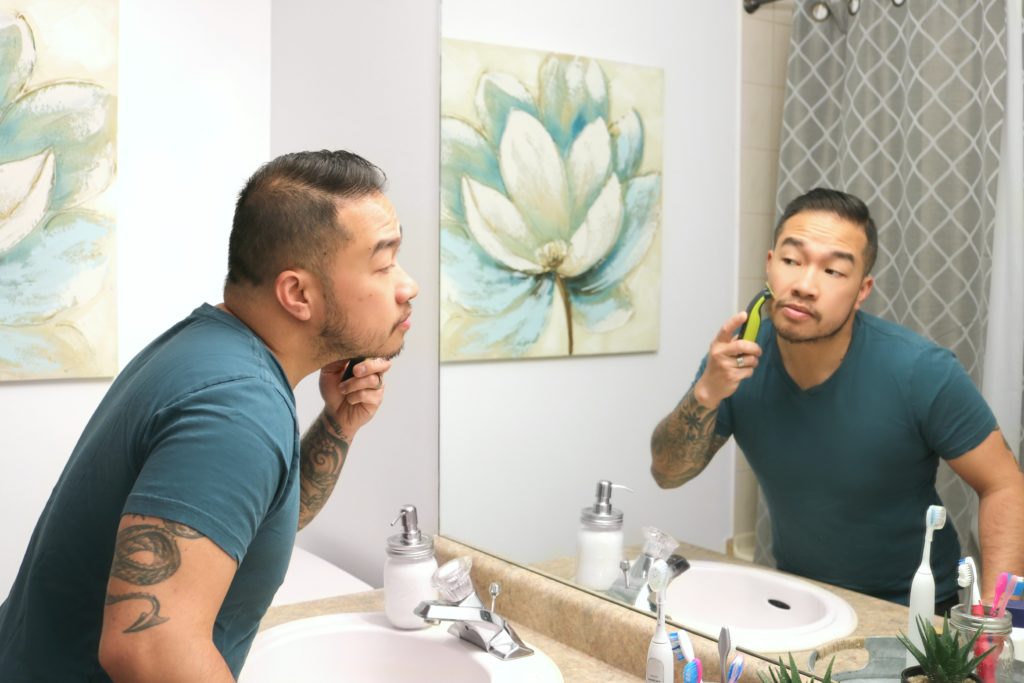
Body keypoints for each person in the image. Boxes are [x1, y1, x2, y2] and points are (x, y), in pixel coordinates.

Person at [0, 149, 419, 681]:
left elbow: (253, 523)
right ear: (297, 293)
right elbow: (148, 647)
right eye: (384, 263)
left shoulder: (211, 352)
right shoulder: (237, 406)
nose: (408, 285)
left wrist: (337, 424)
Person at [650, 187, 1024, 611]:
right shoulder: (737, 360)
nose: (805, 285)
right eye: (792, 261)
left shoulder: (922, 371)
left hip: (913, 608)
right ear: (770, 266)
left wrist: (996, 621)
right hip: (798, 597)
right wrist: (706, 393)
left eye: (833, 272)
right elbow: (667, 473)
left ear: (862, 290)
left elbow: (1004, 485)